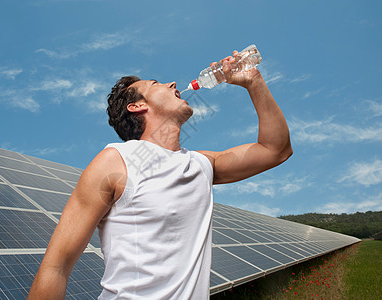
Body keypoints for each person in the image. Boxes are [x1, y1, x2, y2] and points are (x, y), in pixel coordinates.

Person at [28, 50, 293, 299]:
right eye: (156, 83)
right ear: (137, 106)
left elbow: (276, 149)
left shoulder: (201, 164)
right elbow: (56, 267)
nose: (172, 83)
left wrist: (253, 81)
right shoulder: (115, 162)